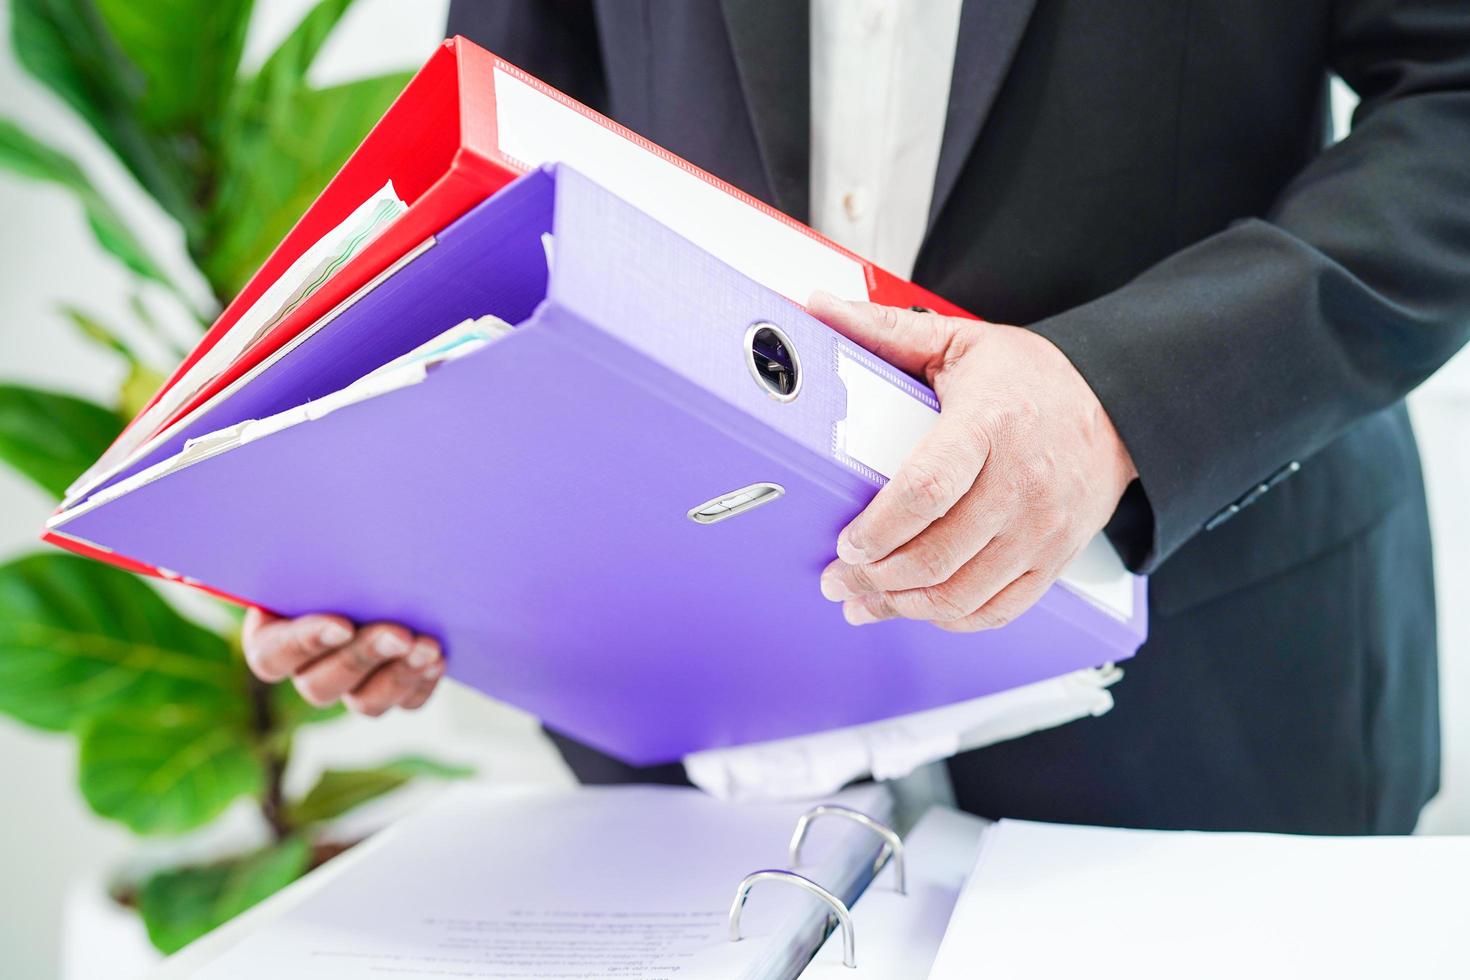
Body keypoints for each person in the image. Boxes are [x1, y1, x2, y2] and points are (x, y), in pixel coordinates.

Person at [244, 0, 1470, 834]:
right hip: (693, 732)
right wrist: (385, 524)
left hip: (1210, 705)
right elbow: (505, 150)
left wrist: (1118, 397)